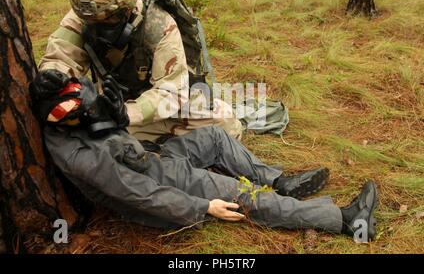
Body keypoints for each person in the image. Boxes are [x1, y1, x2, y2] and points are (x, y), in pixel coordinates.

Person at [33, 76, 379, 240]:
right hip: (159, 182)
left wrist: (116, 119)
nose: (93, 109)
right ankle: (345, 220)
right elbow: (138, 193)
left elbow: (114, 136)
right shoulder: (80, 158)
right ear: (65, 116)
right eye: (87, 109)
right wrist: (202, 207)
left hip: (151, 158)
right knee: (242, 196)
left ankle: (278, 181)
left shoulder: (72, 118)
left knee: (213, 136)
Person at [35, 0, 242, 143]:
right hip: (112, 102)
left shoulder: (159, 24)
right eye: (93, 22)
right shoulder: (85, 17)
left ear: (127, 8)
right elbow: (61, 56)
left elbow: (171, 92)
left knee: (225, 123)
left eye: (108, 20)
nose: (99, 28)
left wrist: (126, 113)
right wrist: (52, 75)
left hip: (155, 106)